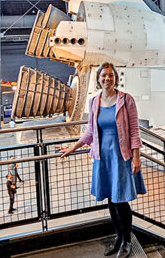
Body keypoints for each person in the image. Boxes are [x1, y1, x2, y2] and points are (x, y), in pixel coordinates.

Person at [59, 62, 146, 258]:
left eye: (110, 75)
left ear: (115, 78)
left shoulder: (126, 100)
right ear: (98, 79)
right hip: (102, 157)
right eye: (103, 76)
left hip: (121, 156)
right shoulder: (94, 101)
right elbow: (90, 131)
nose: (107, 78)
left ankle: (126, 241)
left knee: (120, 200)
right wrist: (73, 147)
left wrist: (137, 157)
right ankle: (118, 237)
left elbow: (134, 130)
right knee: (110, 198)